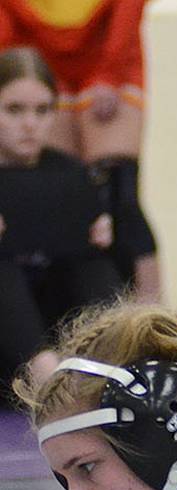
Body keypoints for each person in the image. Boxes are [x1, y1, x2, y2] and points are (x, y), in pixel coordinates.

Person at [0, 0, 161, 301]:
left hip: (108, 46)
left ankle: (150, 308)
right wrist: (14, 69)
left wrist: (111, 73)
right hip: (38, 52)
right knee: (54, 191)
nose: (29, 123)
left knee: (116, 192)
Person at [0, 46, 123, 392]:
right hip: (15, 341)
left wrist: (104, 231)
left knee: (91, 261)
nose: (30, 124)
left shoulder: (70, 173)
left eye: (42, 111)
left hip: (52, 324)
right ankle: (47, 376)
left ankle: (119, 359)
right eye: (14, 110)